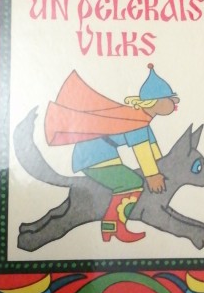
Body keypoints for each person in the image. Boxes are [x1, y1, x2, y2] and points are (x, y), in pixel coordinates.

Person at [44, 64, 179, 242]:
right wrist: (152, 175)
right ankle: (113, 227)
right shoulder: (137, 120)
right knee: (132, 183)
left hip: (104, 155)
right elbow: (142, 150)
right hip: (93, 157)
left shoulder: (142, 119)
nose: (174, 103)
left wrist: (162, 167)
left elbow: (152, 147)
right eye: (170, 99)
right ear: (156, 102)